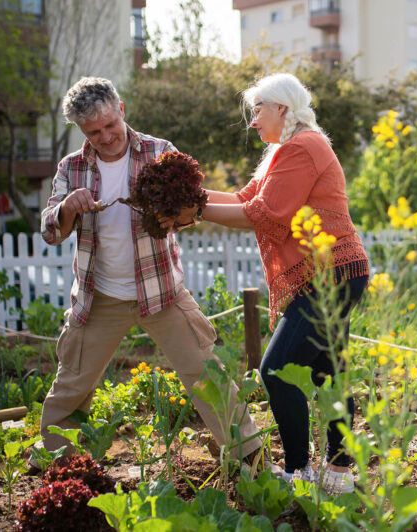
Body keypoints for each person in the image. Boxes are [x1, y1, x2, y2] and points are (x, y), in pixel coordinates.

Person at [162, 73, 369, 495]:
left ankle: (299, 472)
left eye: (257, 110)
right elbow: (244, 200)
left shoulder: (304, 146)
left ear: (282, 108)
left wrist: (193, 207)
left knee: (275, 371)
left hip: (330, 274)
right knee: (331, 372)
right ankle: (340, 472)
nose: (252, 121)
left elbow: (266, 213)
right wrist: (189, 195)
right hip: (332, 272)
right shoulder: (285, 152)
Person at [38, 76, 261, 464]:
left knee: (208, 375)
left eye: (110, 125)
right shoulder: (71, 168)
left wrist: (175, 213)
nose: (106, 136)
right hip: (99, 298)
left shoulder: (160, 152)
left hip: (162, 293)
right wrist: (67, 208)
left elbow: (192, 210)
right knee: (72, 384)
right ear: (81, 130)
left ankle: (251, 459)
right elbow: (50, 231)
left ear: (121, 110)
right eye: (94, 132)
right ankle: (55, 467)